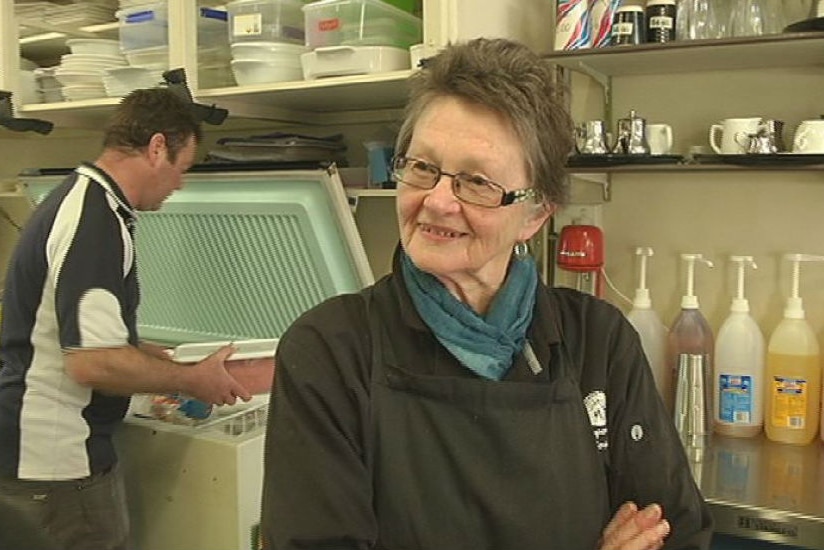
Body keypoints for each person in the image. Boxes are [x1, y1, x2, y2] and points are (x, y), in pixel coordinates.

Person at [260, 38, 713, 550]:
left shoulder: (599, 342)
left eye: (476, 181)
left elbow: (676, 532)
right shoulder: (330, 350)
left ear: (536, 213)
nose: (435, 200)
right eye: (423, 167)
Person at [0, 87, 252, 550]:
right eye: (183, 168)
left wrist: (142, 353)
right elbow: (91, 363)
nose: (180, 184)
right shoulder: (94, 220)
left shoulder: (82, 201)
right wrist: (190, 380)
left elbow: (73, 337)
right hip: (58, 469)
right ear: (158, 148)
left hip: (36, 456)